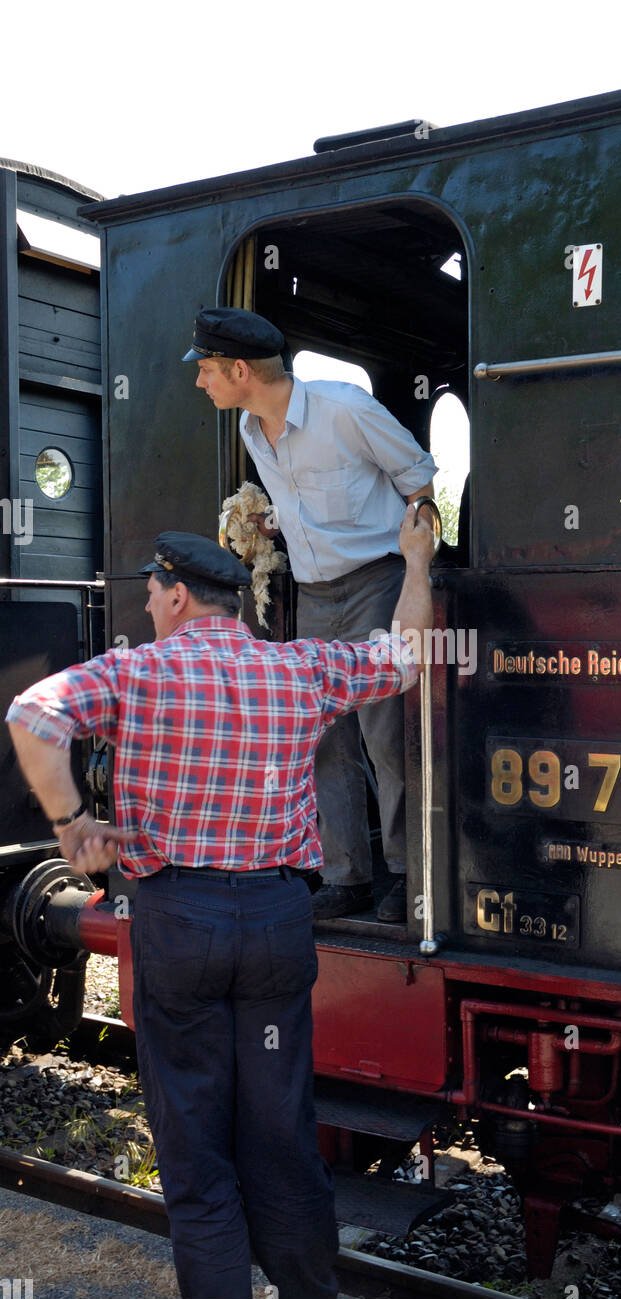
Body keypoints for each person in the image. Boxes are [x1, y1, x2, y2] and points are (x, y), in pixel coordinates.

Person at [5, 516, 435, 1299]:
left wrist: (71, 825)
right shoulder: (300, 668)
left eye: (151, 593)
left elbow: (32, 715)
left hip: (179, 922)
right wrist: (414, 562)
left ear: (176, 597)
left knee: (198, 1157)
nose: (147, 606)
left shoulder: (136, 674)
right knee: (283, 1141)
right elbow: (406, 656)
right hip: (275, 923)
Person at [184, 306, 437, 924]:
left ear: (239, 370)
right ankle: (346, 878)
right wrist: (267, 524)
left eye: (207, 368)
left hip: (377, 583)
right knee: (322, 738)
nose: (200, 380)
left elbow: (419, 479)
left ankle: (410, 877)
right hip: (314, 595)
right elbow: (303, 504)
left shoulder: (345, 409)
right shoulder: (251, 429)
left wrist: (418, 566)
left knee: (386, 736)